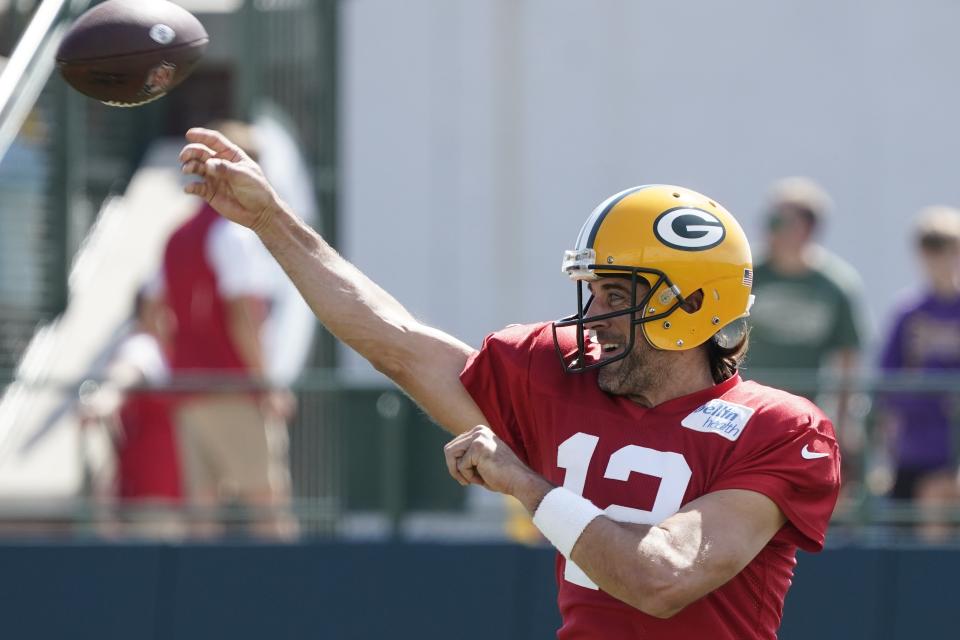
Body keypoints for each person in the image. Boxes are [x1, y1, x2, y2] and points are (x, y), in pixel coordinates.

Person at [179, 129, 840, 639]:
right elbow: (400, 346)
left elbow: (663, 577)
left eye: (615, 294)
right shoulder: (561, 374)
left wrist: (525, 483)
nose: (593, 315)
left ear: (692, 304)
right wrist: (272, 222)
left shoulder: (779, 428)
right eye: (592, 290)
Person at [161, 121, 297, 540]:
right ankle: (287, 599)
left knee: (202, 514)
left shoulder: (176, 237)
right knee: (267, 505)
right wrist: (266, 385)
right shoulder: (231, 235)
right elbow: (244, 316)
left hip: (187, 390)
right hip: (232, 388)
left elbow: (160, 317)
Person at [878, 206, 960, 541]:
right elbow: (886, 379)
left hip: (952, 449)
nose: (936, 257)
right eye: (928, 248)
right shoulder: (908, 312)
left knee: (937, 506)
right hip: (913, 446)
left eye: (944, 246)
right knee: (904, 533)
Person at [79, 288, 183, 539]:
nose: (167, 315)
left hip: (179, 498)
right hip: (149, 500)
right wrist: (103, 399)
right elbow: (124, 375)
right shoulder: (142, 345)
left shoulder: (174, 352)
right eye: (158, 308)